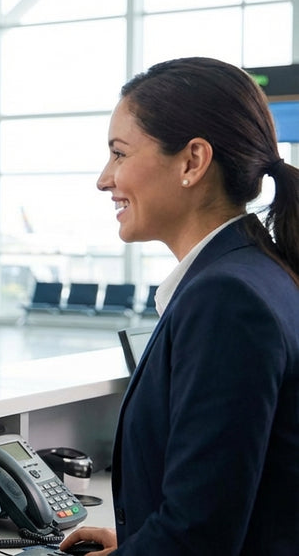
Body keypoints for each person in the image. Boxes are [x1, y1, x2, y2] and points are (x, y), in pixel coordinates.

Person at [61, 57, 299, 555]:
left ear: (192, 162)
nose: (105, 179)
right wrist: (136, 539)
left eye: (120, 154)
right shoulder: (262, 272)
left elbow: (199, 541)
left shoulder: (226, 299)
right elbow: (229, 501)